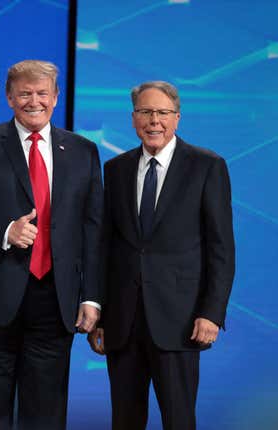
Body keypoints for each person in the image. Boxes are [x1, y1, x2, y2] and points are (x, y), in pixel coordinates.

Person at [0, 59, 103, 430]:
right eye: (25, 93)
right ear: (9, 98)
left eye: (42, 93)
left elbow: (93, 228)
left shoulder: (83, 151)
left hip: (55, 301)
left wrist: (91, 297)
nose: (34, 101)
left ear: (56, 96)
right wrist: (4, 231)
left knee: (45, 416)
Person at [88, 81, 235, 430]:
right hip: (124, 323)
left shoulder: (206, 166)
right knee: (125, 420)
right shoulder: (116, 169)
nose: (154, 120)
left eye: (162, 113)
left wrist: (211, 313)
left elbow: (221, 248)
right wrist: (104, 315)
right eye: (145, 112)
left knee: (179, 420)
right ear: (133, 118)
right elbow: (108, 247)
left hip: (180, 322)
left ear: (177, 118)